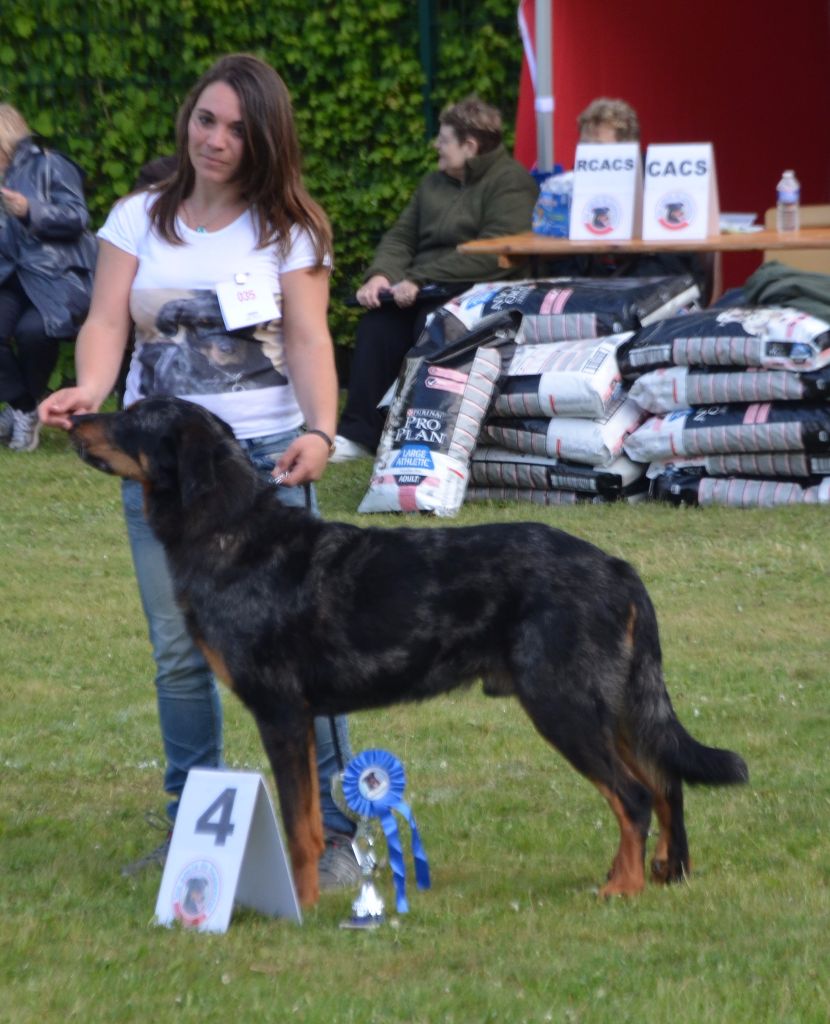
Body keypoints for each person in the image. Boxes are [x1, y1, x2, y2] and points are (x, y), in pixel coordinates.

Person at [40, 53, 360, 887]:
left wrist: (323, 430)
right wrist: (92, 387)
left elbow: (307, 339)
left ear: (266, 143)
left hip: (267, 464)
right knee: (182, 653)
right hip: (165, 474)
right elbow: (107, 321)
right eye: (207, 119)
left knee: (304, 649)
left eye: (238, 129)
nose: (215, 139)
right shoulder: (137, 217)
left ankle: (336, 831)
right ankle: (194, 826)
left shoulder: (293, 228)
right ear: (190, 118)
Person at [332, 96, 539, 462]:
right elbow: (401, 237)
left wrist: (417, 278)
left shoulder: (511, 182)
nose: (436, 147)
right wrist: (382, 276)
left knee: (429, 325)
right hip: (419, 286)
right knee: (377, 326)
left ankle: (420, 434)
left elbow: (495, 252)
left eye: (443, 140)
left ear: (469, 146)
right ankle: (359, 435)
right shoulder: (433, 183)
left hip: (476, 287)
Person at [0, 104, 96, 451]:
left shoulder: (50, 165)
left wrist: (30, 210)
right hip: (9, 277)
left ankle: (23, 412)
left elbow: (76, 216)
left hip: (53, 276)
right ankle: (24, 407)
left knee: (34, 332)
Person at [564, 96, 713, 302]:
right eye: (584, 145)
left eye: (597, 145)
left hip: (657, 286)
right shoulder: (570, 184)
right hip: (596, 290)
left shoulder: (661, 181)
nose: (589, 154)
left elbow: (673, 263)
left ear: (628, 147)